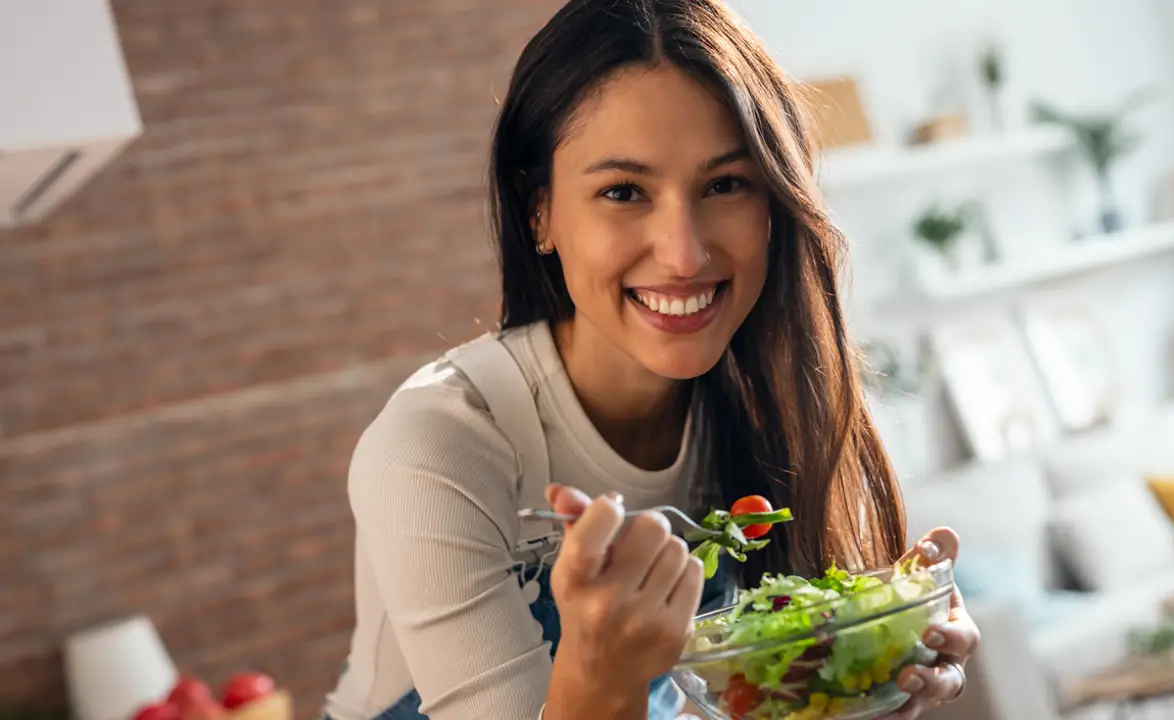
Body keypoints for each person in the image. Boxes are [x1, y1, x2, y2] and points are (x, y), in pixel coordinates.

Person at [323, 1, 979, 719]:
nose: (684, 253)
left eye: (725, 184)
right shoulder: (437, 445)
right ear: (538, 209)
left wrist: (873, 664)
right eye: (624, 192)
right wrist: (596, 672)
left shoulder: (772, 406)